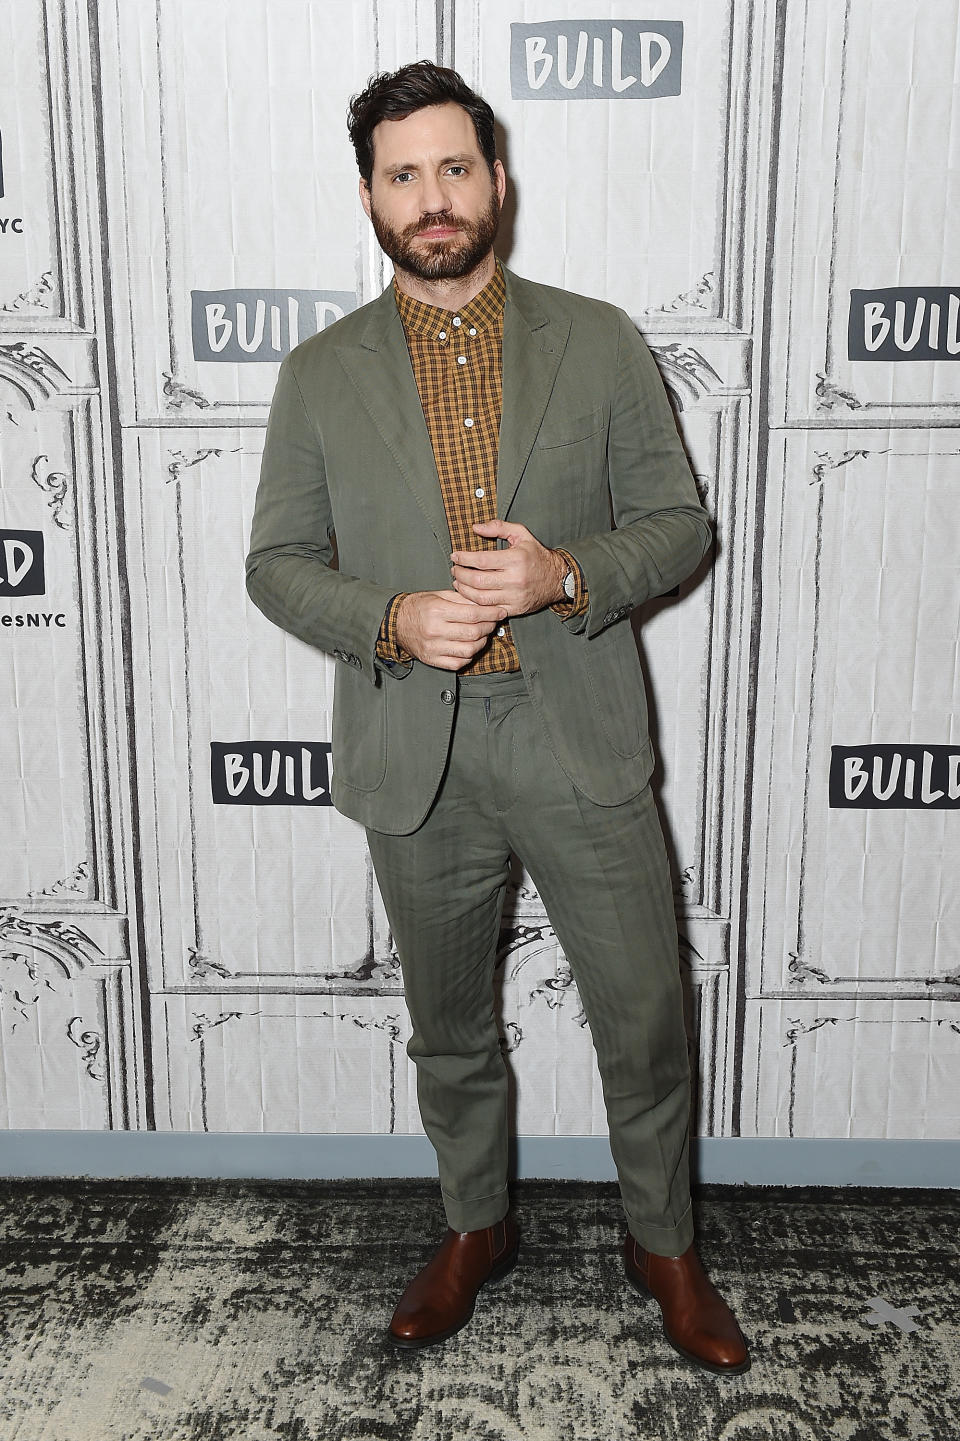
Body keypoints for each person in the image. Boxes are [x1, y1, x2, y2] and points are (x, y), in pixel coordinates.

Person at [245, 59, 749, 1374]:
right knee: (451, 1023)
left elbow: (678, 522)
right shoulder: (318, 374)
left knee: (643, 1009)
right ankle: (477, 1227)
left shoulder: (597, 338)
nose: (433, 197)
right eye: (404, 174)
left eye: (454, 167)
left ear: (496, 177)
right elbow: (277, 560)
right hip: (422, 744)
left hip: (575, 729)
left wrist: (566, 574)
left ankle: (665, 1244)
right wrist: (395, 618)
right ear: (370, 194)